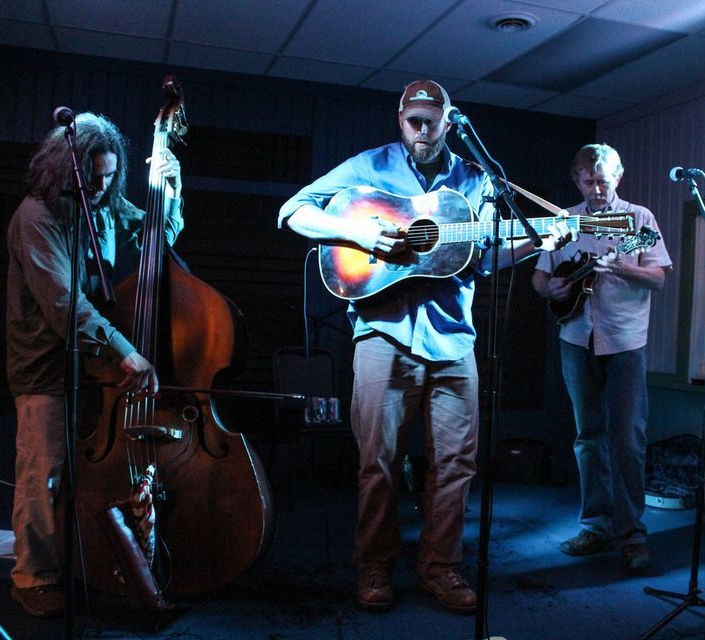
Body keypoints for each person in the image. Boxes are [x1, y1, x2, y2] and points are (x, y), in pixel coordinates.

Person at [278, 80, 573, 614]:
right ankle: (374, 564)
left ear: (448, 120)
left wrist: (537, 241)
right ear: (400, 118)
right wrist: (363, 237)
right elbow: (294, 212)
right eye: (412, 120)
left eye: (430, 121)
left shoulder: (476, 179)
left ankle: (440, 567)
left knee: (458, 461)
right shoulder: (371, 166)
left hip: (453, 337)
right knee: (379, 460)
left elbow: (481, 257)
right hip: (382, 332)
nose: (421, 129)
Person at [5, 112, 183, 617]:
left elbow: (157, 233)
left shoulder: (98, 201)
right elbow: (64, 305)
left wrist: (170, 184)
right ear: (67, 168)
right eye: (94, 178)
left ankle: (88, 557)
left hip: (92, 360)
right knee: (45, 473)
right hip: (45, 364)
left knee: (84, 469)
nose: (103, 188)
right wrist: (125, 349)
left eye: (109, 177)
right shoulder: (36, 218)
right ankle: (32, 577)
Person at [531, 143, 672, 572]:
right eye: (589, 181)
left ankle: (631, 534)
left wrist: (624, 268)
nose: (597, 189)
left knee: (627, 436)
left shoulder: (639, 220)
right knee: (587, 435)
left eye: (604, 181)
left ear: (619, 176)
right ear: (577, 180)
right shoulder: (565, 220)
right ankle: (596, 525)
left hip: (625, 341)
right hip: (576, 336)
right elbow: (540, 274)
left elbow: (659, 277)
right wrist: (549, 289)